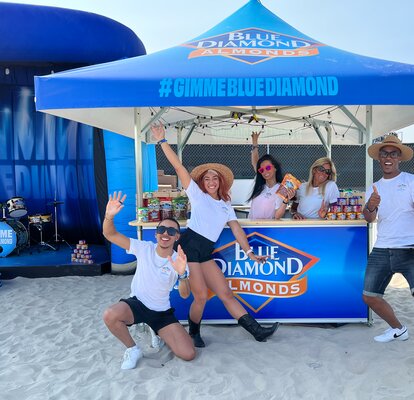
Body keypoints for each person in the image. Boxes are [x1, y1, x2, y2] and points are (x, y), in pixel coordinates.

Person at [151, 124, 279, 348]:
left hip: (206, 251)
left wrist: (249, 253)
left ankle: (257, 331)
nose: (211, 182)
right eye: (207, 179)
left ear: (221, 182)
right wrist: (162, 141)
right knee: (200, 296)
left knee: (225, 293)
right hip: (189, 248)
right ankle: (193, 333)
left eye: (215, 179)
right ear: (202, 182)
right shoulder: (198, 196)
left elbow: (236, 229)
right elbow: (178, 167)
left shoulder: (226, 204)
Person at [102, 191, 195, 369]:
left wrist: (182, 274)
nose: (165, 233)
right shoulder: (144, 248)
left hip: (162, 312)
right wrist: (109, 216)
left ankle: (156, 330)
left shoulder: (179, 260)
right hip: (137, 304)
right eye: (161, 230)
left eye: (171, 231)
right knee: (110, 315)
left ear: (177, 236)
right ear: (155, 234)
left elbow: (185, 294)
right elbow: (110, 234)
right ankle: (132, 349)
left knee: (188, 354)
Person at [363, 134, 414, 343]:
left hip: (409, 247)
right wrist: (372, 204)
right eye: (384, 154)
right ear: (379, 158)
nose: (388, 157)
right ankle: (399, 329)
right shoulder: (374, 187)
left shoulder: (410, 181)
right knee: (369, 296)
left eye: (393, 154)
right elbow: (369, 218)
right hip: (382, 248)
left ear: (399, 157)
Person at [249, 131, 295, 219]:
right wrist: (255, 144)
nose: (265, 172)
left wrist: (286, 200)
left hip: (266, 230)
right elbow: (255, 162)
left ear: (275, 168)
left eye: (268, 168)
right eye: (261, 170)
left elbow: (277, 216)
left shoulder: (281, 188)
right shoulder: (259, 183)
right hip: (251, 227)